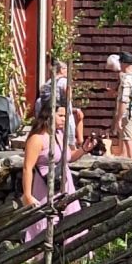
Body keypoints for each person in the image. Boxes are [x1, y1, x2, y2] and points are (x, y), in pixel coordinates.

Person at [21, 98, 90, 243]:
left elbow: (68, 158)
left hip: (65, 186)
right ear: (49, 115)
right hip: (46, 189)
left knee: (72, 222)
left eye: (66, 116)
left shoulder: (59, 135)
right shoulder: (37, 139)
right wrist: (27, 195)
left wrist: (84, 149)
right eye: (61, 116)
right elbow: (27, 167)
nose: (64, 119)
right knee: (45, 224)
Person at [113, 53, 132, 160]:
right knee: (129, 138)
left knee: (128, 140)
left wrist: (119, 118)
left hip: (128, 113)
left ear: (124, 63)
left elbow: (124, 100)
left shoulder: (127, 79)